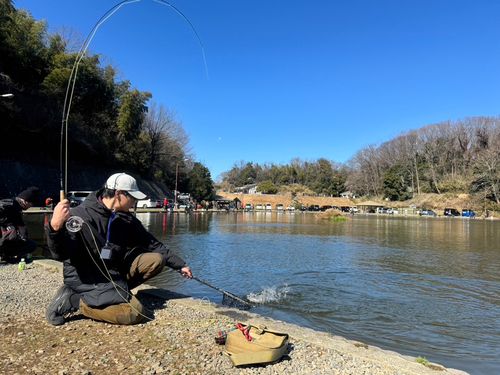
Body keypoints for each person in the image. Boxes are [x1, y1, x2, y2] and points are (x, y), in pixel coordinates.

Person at [45, 173, 193, 326]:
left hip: (113, 273)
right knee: (133, 315)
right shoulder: (78, 216)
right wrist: (54, 227)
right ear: (118, 194)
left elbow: (152, 244)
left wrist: (180, 265)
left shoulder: (125, 218)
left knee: (156, 260)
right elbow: (60, 254)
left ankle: (116, 295)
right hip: (87, 280)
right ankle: (74, 300)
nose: (135, 201)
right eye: (133, 197)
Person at [0, 186, 40, 263]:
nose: (30, 207)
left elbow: (21, 226)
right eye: (31, 205)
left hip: (7, 241)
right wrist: (6, 225)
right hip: (3, 237)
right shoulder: (8, 204)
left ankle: (7, 256)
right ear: (25, 201)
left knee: (31, 245)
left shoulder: (17, 209)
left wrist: (24, 237)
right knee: (12, 232)